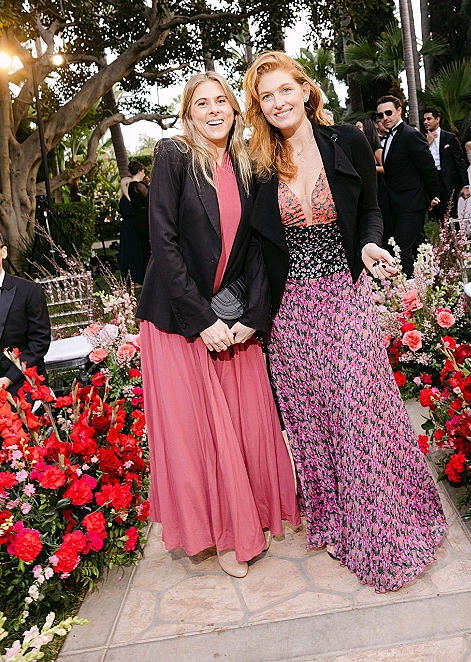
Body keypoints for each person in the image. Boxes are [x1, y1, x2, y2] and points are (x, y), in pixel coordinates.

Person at [243, 51, 447, 593]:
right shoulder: (259, 165)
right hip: (289, 314)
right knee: (314, 422)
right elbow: (253, 248)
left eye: (285, 90)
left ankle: (388, 528)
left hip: (342, 294)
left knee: (363, 409)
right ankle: (334, 520)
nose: (278, 102)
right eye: (266, 96)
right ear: (258, 107)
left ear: (306, 91)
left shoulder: (347, 142)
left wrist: (369, 244)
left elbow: (372, 208)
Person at [136, 71, 300, 579]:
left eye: (222, 101)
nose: (214, 110)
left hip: (233, 320)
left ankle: (251, 518)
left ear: (234, 108)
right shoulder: (174, 156)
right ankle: (229, 537)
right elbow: (162, 243)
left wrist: (254, 317)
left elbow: (253, 247)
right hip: (178, 320)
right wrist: (202, 320)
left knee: (243, 425)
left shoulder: (247, 164)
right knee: (204, 433)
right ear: (188, 112)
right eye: (201, 103)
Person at [376, 95, 439, 277]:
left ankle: (410, 293)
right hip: (398, 204)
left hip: (412, 203)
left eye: (389, 113)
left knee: (401, 250)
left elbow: (428, 169)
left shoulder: (410, 135)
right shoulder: (389, 138)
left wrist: (430, 197)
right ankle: (433, 282)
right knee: (419, 245)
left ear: (399, 110)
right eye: (380, 115)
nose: (385, 118)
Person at [0, 233, 51, 400]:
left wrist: (7, 380)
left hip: (21, 380)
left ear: (3, 252)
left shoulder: (29, 291)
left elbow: (39, 342)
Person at [423, 108, 470, 223]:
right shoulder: (421, 140)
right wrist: (427, 143)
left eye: (429, 119)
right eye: (424, 119)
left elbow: (459, 161)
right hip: (432, 181)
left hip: (449, 181)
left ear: (437, 119)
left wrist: (465, 185)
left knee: (451, 214)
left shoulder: (449, 137)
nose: (425, 122)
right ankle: (444, 239)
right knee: (439, 215)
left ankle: (455, 239)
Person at [118, 177, 145, 285]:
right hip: (128, 228)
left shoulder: (129, 199)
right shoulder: (125, 201)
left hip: (131, 227)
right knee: (131, 252)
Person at [127, 160, 151, 271]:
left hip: (139, 218)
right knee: (148, 248)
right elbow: (149, 198)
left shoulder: (131, 185)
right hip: (144, 219)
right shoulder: (138, 186)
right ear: (140, 171)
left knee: (145, 247)